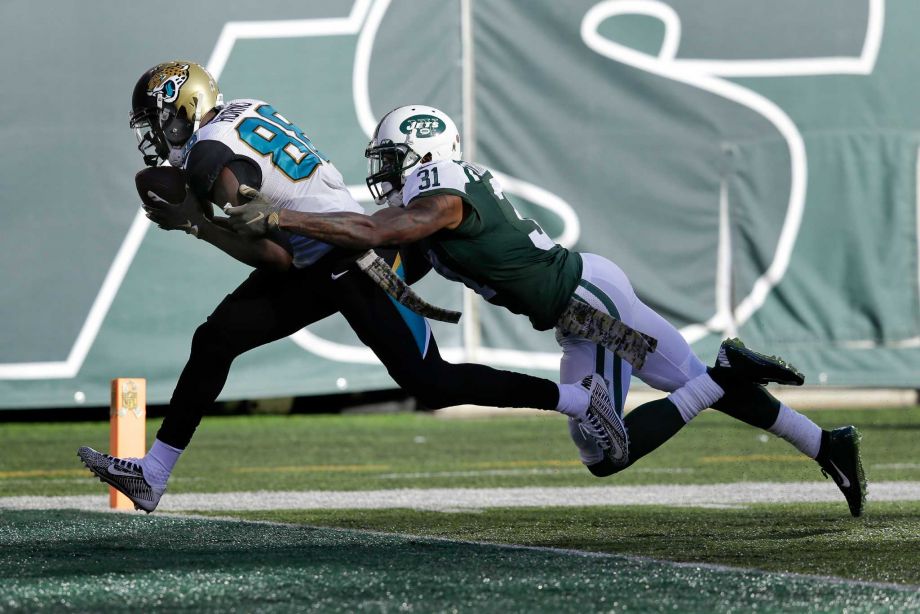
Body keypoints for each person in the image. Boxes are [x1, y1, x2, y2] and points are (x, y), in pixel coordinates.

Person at [226, 104, 867, 517]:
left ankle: (728, 374)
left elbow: (384, 233)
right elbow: (401, 257)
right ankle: (824, 442)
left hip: (591, 304)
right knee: (657, 403)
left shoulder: (441, 196)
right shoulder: (439, 197)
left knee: (612, 449)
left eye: (392, 160)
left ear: (421, 156)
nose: (385, 173)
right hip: (581, 312)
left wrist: (281, 215)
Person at [78, 61, 660, 513]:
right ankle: (153, 475)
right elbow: (279, 250)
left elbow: (273, 249)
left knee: (431, 382)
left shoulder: (209, 153)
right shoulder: (241, 113)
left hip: (352, 258)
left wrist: (200, 221)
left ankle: (584, 400)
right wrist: (203, 219)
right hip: (324, 257)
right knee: (216, 339)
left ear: (183, 109)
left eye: (159, 119)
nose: (155, 134)